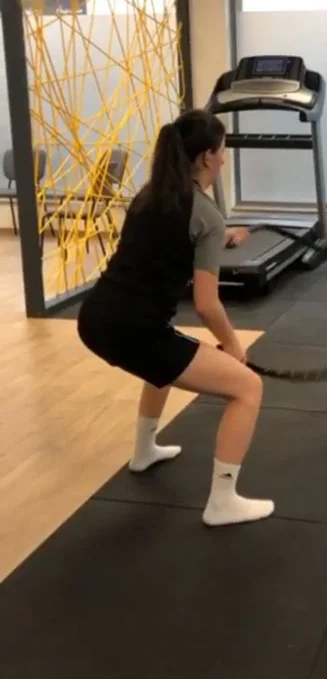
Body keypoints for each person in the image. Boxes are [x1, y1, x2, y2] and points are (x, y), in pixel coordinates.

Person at [77, 109, 274, 527]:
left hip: (94, 319)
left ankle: (144, 451)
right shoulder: (206, 215)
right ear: (206, 157)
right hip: (135, 331)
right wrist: (234, 345)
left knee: (164, 360)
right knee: (248, 388)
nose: (224, 160)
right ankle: (223, 501)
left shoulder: (149, 196)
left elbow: (170, 243)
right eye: (222, 151)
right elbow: (206, 304)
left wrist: (221, 237)